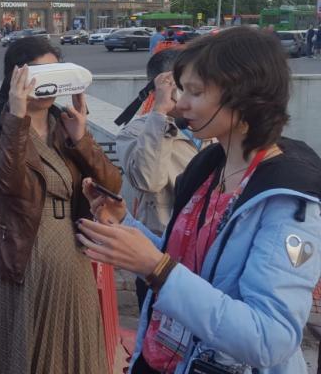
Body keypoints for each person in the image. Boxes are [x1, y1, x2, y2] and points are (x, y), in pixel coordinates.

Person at [77, 26, 321, 374]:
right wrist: (124, 223)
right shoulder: (208, 167)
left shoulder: (288, 202)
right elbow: (189, 264)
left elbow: (270, 339)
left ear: (244, 97)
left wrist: (156, 269)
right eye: (182, 90)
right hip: (162, 358)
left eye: (196, 92)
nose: (181, 103)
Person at [0, 37, 121, 373]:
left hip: (69, 256)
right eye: (39, 73)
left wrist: (81, 138)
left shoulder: (65, 123)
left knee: (69, 348)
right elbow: (7, 184)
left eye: (55, 72)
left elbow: (112, 186)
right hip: (15, 254)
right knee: (14, 348)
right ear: (17, 76)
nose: (48, 83)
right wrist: (17, 117)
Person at [116, 48, 200, 309]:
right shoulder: (137, 131)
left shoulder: (211, 125)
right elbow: (148, 181)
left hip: (205, 251)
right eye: (184, 85)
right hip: (161, 254)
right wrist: (161, 114)